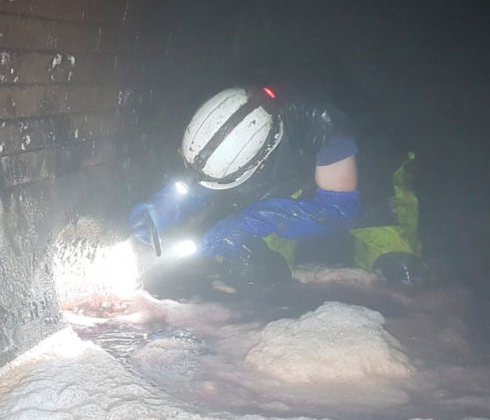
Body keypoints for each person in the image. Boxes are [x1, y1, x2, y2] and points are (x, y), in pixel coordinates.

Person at [129, 86, 362, 291]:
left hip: (366, 195)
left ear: (260, 161)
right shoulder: (228, 119)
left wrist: (252, 221)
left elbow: (339, 211)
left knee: (370, 277)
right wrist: (168, 204)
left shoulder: (323, 127)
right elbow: (203, 181)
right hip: (286, 186)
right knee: (255, 271)